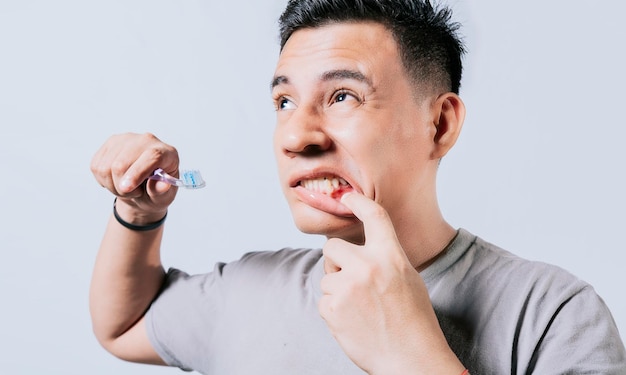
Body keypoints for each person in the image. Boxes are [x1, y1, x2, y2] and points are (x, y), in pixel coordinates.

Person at [89, 0, 626, 374]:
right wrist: (138, 211)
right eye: (284, 102)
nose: (296, 136)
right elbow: (124, 326)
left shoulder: (553, 315)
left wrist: (413, 361)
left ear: (439, 125)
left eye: (343, 95)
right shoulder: (247, 291)